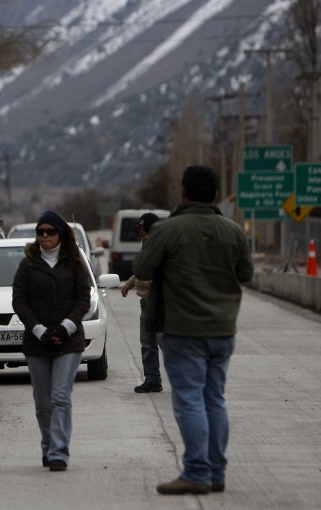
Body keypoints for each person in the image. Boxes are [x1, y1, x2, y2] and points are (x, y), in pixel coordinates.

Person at [133, 165, 254, 495]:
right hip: (223, 329)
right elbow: (246, 274)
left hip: (183, 330)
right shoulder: (233, 231)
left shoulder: (167, 230)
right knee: (214, 399)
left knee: (189, 400)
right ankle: (216, 472)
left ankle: (197, 472)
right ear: (215, 194)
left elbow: (142, 269)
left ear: (183, 192)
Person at [11, 210, 90, 472]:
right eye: (40, 231)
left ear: (60, 234)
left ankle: (59, 453)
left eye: (50, 231)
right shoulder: (28, 264)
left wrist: (67, 326)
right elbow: (19, 301)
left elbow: (83, 298)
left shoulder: (75, 263)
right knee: (43, 403)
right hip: (37, 343)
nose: (44, 236)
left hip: (69, 341)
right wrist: (38, 329)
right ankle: (47, 445)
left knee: (60, 397)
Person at [120, 212, 162, 393]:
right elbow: (142, 269)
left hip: (159, 302)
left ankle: (183, 378)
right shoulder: (147, 244)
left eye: (140, 227)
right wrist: (129, 284)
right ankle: (152, 379)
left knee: (164, 342)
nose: (139, 231)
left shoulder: (159, 245)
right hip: (147, 302)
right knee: (148, 342)